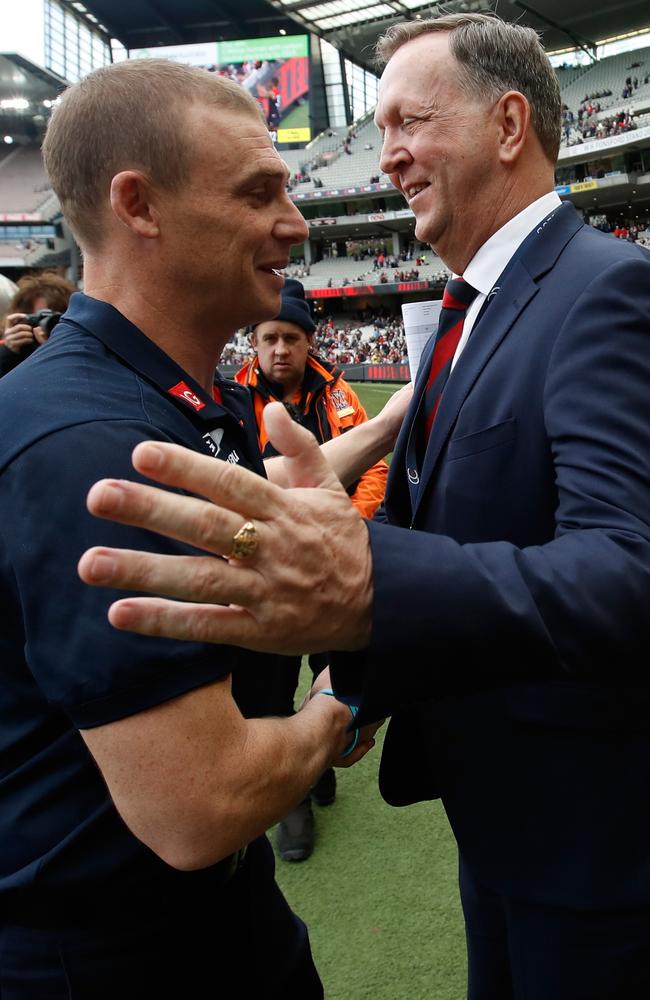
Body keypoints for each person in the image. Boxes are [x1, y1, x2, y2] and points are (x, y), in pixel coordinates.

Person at [79, 13, 650, 999]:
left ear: (508, 123)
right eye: (376, 127)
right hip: (501, 822)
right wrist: (356, 669)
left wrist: (365, 580)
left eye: (406, 123)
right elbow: (443, 518)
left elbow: (628, 570)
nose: (383, 156)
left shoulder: (605, 292)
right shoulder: (464, 313)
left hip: (594, 846)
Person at [0, 58, 412, 998]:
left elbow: (239, 491)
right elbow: (201, 803)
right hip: (123, 953)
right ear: (139, 205)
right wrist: (341, 706)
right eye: (259, 191)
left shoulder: (154, 397)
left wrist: (387, 425)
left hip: (204, 916)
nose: (297, 224)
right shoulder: (90, 441)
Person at [236, 278, 388, 860]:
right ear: (253, 342)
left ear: (308, 342)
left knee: (335, 674)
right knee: (267, 688)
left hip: (331, 560)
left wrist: (343, 529)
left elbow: (372, 467)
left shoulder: (339, 393)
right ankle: (291, 800)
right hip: (265, 565)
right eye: (269, 337)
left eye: (291, 338)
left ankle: (317, 759)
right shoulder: (226, 397)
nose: (280, 349)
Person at [0, 270, 75, 376]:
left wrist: (56, 350)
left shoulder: (78, 345)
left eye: (52, 318)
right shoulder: (18, 349)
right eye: (39, 318)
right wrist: (8, 352)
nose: (45, 325)